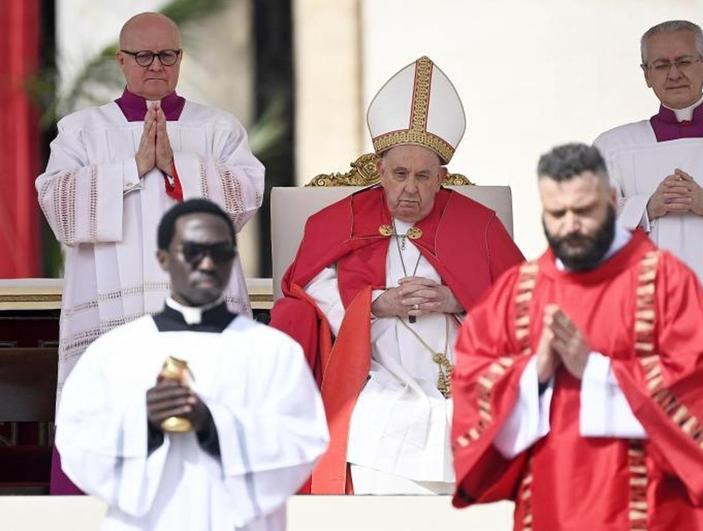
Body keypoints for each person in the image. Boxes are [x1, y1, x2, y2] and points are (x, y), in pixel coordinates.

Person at [451, 144, 703, 531]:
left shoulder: (666, 283)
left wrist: (596, 369)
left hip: (653, 510)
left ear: (610, 200)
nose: (571, 225)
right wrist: (533, 374)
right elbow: (472, 383)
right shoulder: (516, 294)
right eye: (557, 214)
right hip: (551, 506)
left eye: (584, 211)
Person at [270, 56, 523, 495]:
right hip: (375, 368)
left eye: (424, 176)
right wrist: (375, 303)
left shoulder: (477, 223)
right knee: (379, 418)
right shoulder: (337, 220)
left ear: (442, 178)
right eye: (400, 174)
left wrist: (456, 299)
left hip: (460, 366)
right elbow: (305, 288)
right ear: (380, 170)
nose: (410, 188)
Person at [36, 12, 265, 493]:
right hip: (113, 312)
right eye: (143, 55)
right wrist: (133, 167)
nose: (155, 66)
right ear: (121, 60)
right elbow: (57, 204)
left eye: (166, 55)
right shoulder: (81, 131)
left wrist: (178, 166)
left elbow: (244, 199)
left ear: (179, 59)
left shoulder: (218, 129)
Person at [56, 199, 328, 531]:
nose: (207, 263)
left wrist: (213, 424)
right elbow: (77, 445)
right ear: (164, 258)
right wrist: (145, 423)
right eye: (192, 251)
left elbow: (303, 442)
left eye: (221, 252)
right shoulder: (115, 352)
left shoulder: (273, 352)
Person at [594, 19, 703, 494]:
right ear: (645, 74)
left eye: (684, 60)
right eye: (660, 64)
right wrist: (644, 208)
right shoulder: (614, 146)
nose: (674, 73)